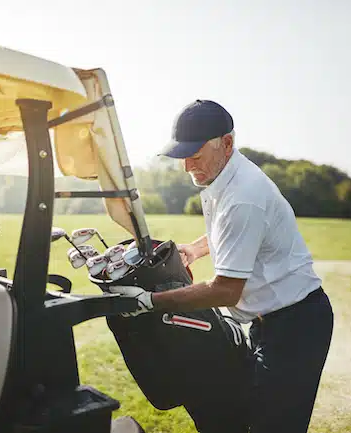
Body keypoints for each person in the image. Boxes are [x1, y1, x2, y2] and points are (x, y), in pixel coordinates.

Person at [110, 99, 334, 433]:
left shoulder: (244, 195)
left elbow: (226, 291)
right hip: (269, 322)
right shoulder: (222, 179)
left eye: (195, 155)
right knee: (242, 414)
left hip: (296, 326)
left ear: (226, 143)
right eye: (183, 157)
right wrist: (196, 249)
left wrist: (148, 302)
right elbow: (229, 233)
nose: (187, 166)